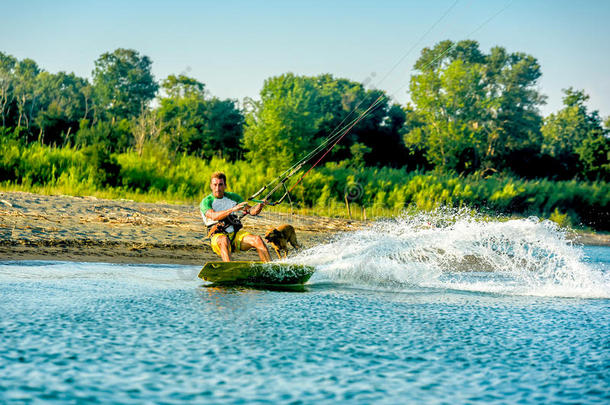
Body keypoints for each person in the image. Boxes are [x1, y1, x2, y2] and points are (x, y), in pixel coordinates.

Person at [200, 172, 271, 262]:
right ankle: (230, 268)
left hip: (235, 235)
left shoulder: (233, 197)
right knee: (224, 240)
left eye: (220, 185)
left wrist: (260, 205)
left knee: (257, 239)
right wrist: (232, 209)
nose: (217, 188)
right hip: (218, 236)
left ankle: (270, 268)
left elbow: (251, 211)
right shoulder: (206, 201)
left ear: (225, 185)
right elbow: (213, 216)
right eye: (215, 185)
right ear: (211, 186)